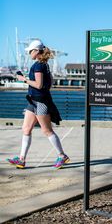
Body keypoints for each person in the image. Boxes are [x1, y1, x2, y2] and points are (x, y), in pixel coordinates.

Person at [7, 39, 70, 169]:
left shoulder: (38, 65)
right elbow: (50, 81)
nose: (29, 53)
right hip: (33, 101)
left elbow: (38, 84)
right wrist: (42, 88)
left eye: (30, 51)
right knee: (26, 129)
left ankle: (62, 156)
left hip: (40, 102)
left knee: (47, 130)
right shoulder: (44, 64)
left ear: (36, 51)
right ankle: (21, 159)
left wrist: (24, 79)